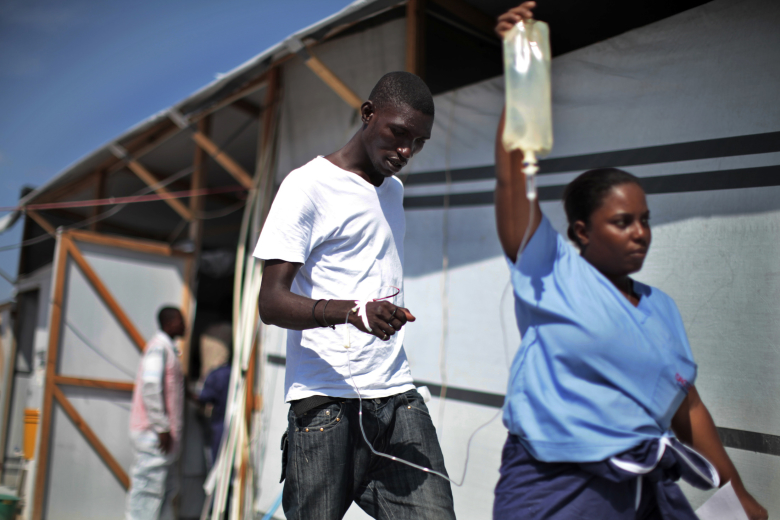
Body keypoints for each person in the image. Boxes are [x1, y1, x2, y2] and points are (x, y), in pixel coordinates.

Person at [491, 4, 769, 519]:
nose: (640, 233)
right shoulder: (551, 271)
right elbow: (512, 177)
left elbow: (687, 405)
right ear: (581, 231)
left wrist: (738, 495)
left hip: (644, 490)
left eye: (644, 220)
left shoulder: (661, 308)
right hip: (557, 490)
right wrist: (521, 75)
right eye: (623, 222)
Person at [255, 71, 455, 520]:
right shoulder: (307, 186)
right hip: (326, 403)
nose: (406, 151)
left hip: (397, 396)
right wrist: (351, 312)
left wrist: (380, 312)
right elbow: (270, 303)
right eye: (398, 133)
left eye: (418, 142)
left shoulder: (393, 191)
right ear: (368, 114)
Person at [126, 307, 186, 520]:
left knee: (165, 491)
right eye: (180, 320)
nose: (185, 325)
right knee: (148, 491)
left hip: (162, 437)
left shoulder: (168, 349)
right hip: (153, 435)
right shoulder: (158, 349)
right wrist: (161, 427)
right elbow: (150, 386)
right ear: (169, 323)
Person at [199, 353, 231, 461]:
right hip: (235, 426)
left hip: (220, 426)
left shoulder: (217, 374)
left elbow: (204, 398)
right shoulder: (238, 373)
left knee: (218, 462)